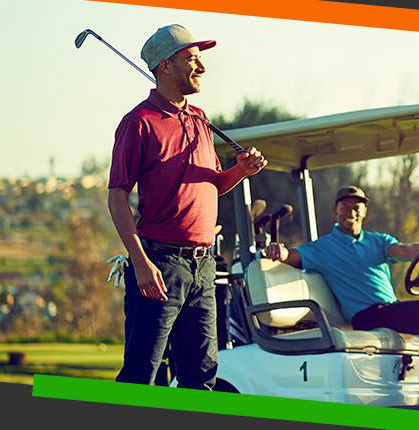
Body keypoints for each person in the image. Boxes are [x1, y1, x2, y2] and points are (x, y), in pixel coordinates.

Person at [107, 24, 267, 388]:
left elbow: (212, 185)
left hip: (203, 267)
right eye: (192, 59)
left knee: (201, 379)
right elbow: (116, 195)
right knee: (141, 378)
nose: (202, 67)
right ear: (165, 66)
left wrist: (239, 171)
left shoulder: (200, 119)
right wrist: (140, 262)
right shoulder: (137, 123)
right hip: (159, 266)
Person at [266, 186, 419, 351]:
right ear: (335, 210)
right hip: (366, 316)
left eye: (356, 208)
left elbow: (406, 250)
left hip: (390, 310)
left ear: (364, 212)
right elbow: (291, 256)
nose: (351, 212)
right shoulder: (323, 247)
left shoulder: (379, 240)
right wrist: (279, 250)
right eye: (345, 208)